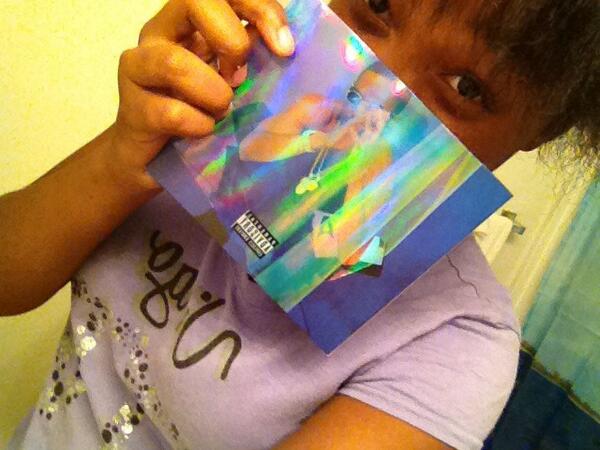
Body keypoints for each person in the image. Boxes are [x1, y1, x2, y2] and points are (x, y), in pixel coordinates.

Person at [1, 0, 598, 448]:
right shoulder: (213, 113)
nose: (373, 86)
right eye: (377, 6)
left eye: (466, 88)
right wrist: (124, 154)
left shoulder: (458, 338)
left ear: (537, 132)